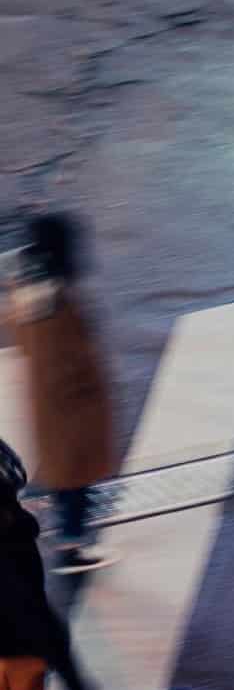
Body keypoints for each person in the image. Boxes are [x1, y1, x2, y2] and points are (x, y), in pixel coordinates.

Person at [0, 438, 121, 690]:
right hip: (16, 647)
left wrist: (70, 674)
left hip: (13, 652)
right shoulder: (13, 529)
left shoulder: (5, 553)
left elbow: (33, 616)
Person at [3, 214, 116, 574]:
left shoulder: (31, 289)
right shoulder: (55, 300)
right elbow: (65, 359)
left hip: (54, 405)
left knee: (70, 478)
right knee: (74, 478)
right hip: (71, 406)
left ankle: (72, 536)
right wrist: (84, 389)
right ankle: (70, 546)